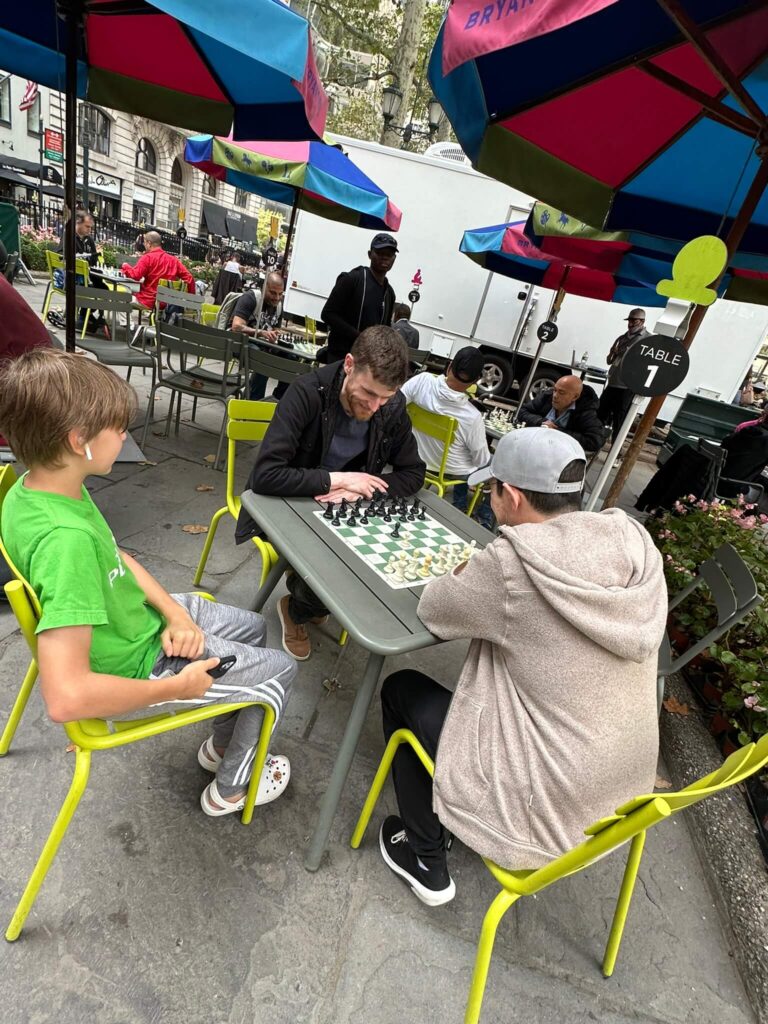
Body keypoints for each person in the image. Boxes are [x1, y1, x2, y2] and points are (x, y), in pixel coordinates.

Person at [376, 427, 667, 906]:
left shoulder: (511, 564)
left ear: (510, 495)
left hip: (547, 805)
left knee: (401, 688)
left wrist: (479, 567)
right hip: (625, 794)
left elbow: (435, 608)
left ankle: (426, 858)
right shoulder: (632, 540)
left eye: (491, 491)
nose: (490, 503)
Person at [0, 349, 297, 817]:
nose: (125, 435)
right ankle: (232, 788)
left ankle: (222, 745)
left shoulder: (35, 487)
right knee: (281, 669)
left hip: (133, 617)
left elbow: (115, 554)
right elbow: (66, 697)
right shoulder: (66, 543)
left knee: (254, 628)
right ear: (80, 441)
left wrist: (175, 612)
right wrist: (176, 688)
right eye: (118, 428)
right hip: (141, 661)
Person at [236, 326, 426, 661]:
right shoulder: (307, 392)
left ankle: (308, 598)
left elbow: (414, 473)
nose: (376, 406)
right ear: (349, 364)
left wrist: (361, 490)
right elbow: (265, 476)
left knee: (379, 557)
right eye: (369, 393)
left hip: (339, 507)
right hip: (287, 505)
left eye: (386, 397)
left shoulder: (391, 407)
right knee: (341, 566)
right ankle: (297, 608)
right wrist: (337, 480)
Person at [400, 347, 494, 529]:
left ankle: (460, 503)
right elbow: (481, 460)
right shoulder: (472, 416)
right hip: (449, 469)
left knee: (468, 454)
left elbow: (395, 405)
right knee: (498, 467)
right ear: (476, 381)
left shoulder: (421, 380)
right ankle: (484, 520)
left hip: (412, 455)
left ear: (449, 366)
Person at [321, 233, 398, 363]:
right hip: (340, 358)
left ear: (394, 258)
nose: (385, 257)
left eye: (389, 254)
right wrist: (359, 336)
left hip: (366, 362)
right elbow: (328, 314)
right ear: (370, 254)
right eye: (380, 253)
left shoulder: (389, 293)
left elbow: (384, 329)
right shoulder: (352, 279)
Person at [228, 272, 286, 400]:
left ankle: (279, 400)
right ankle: (253, 401)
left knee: (291, 357)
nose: (277, 297)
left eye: (280, 294)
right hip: (239, 343)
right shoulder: (251, 297)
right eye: (273, 292)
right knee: (264, 359)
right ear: (264, 288)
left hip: (261, 345)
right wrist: (261, 332)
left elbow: (276, 329)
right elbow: (236, 326)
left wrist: (277, 334)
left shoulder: (279, 305)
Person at [598, 308, 650, 442]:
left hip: (627, 386)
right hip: (614, 381)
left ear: (642, 321)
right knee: (600, 413)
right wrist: (613, 352)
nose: (631, 323)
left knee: (619, 419)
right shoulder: (622, 337)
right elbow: (610, 360)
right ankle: (593, 442)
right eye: (630, 320)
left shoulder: (647, 339)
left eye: (634, 321)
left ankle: (615, 452)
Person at [518, 374, 607, 452]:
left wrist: (557, 432)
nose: (555, 396)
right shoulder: (547, 396)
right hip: (534, 445)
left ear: (575, 397)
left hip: (561, 454)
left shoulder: (585, 411)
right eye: (555, 390)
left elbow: (595, 441)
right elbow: (521, 411)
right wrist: (540, 421)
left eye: (561, 392)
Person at [120, 230, 194, 311]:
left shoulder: (147, 258)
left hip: (148, 302)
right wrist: (190, 300)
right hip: (167, 304)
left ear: (149, 243)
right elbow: (189, 278)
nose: (144, 245)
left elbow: (135, 276)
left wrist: (125, 266)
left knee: (119, 296)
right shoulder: (174, 260)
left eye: (144, 242)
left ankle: (124, 323)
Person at [721, 412, 768, 482]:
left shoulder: (749, 429)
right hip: (734, 485)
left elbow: (725, 442)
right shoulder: (764, 439)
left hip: (715, 476)